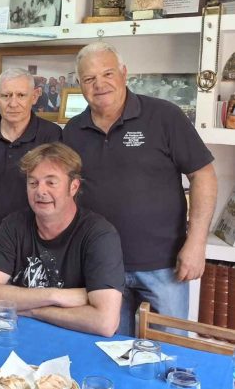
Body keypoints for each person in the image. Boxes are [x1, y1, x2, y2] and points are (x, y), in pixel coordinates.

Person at [63, 42, 217, 336]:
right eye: (89, 79)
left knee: (168, 354)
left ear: (124, 73)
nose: (99, 84)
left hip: (164, 265)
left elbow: (203, 175)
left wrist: (196, 244)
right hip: (102, 267)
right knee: (109, 352)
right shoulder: (73, 130)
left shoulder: (164, 116)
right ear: (80, 84)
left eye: (107, 73)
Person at [0, 143, 124, 337]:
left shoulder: (100, 235)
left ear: (73, 187)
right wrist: (55, 296)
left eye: (51, 182)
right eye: (33, 183)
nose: (40, 191)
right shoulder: (13, 225)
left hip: (74, 342)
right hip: (17, 335)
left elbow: (105, 322)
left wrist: (33, 310)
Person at [0, 68, 62, 264]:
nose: (13, 103)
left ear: (34, 97)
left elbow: (58, 195)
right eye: (6, 95)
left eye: (21, 95)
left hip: (39, 245)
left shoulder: (51, 135)